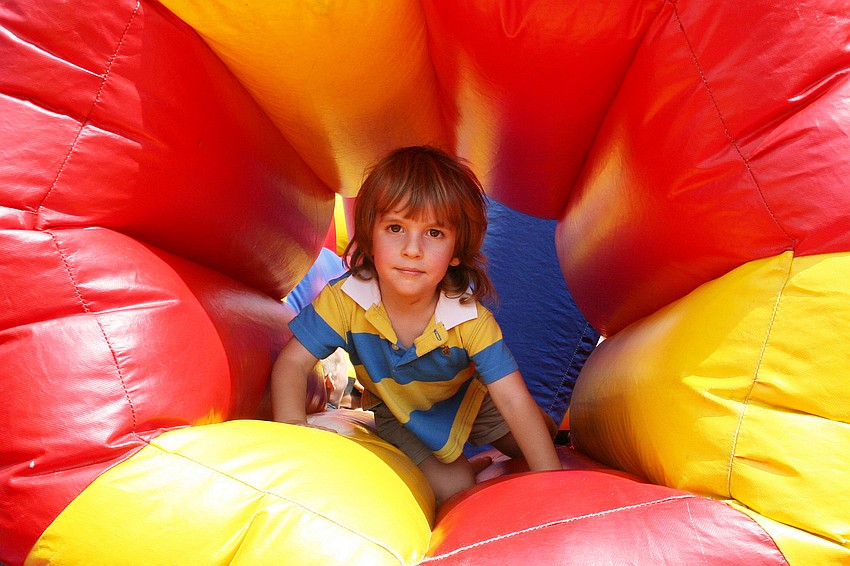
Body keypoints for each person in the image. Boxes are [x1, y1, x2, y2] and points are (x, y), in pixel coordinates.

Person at [271, 146, 561, 504]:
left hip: (468, 400)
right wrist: (292, 431)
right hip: (399, 411)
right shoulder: (346, 299)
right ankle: (468, 468)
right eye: (396, 228)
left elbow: (512, 399)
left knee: (538, 436)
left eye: (434, 233)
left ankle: (534, 434)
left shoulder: (467, 318)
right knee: (455, 490)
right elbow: (293, 362)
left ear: (457, 251)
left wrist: (552, 483)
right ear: (370, 236)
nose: (412, 249)